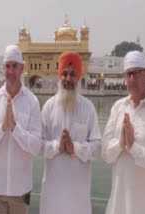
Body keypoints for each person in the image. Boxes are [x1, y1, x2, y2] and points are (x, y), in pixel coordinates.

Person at [102, 50, 145, 214]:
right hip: (116, 206)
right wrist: (121, 144)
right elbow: (105, 154)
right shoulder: (118, 107)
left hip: (144, 207)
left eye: (136, 73)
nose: (132, 79)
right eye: (128, 74)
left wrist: (134, 148)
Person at [0, 45, 41, 214]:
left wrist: (15, 128)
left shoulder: (32, 102)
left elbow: (36, 147)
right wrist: (2, 128)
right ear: (3, 68)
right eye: (8, 66)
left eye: (15, 66)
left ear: (22, 67)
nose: (11, 71)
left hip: (20, 191)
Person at [39, 52, 101, 214]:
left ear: (78, 77)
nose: (68, 79)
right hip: (53, 192)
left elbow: (98, 148)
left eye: (72, 74)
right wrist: (56, 147)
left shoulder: (88, 109)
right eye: (64, 74)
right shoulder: (48, 107)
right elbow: (39, 145)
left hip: (77, 194)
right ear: (59, 76)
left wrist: (76, 148)